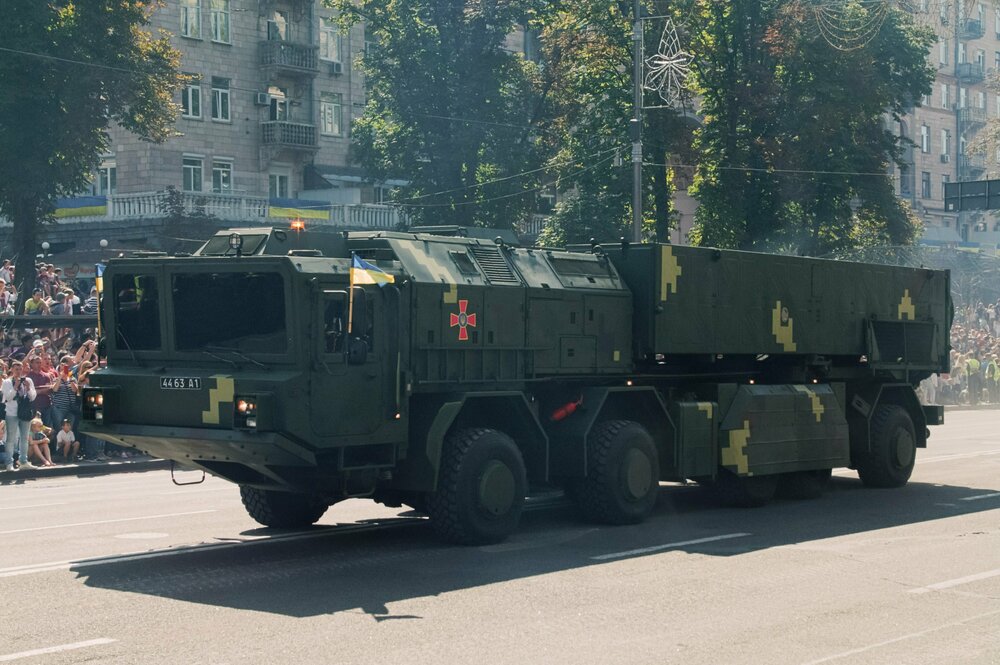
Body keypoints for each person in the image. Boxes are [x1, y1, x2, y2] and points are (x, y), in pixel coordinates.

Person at [2, 361, 36, 470]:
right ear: (11, 369)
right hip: (12, 412)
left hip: (25, 413)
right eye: (16, 369)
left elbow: (33, 397)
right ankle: (9, 463)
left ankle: (23, 461)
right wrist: (15, 387)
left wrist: (28, 388)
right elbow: (7, 397)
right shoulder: (7, 382)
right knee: (11, 439)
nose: (18, 371)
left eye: (20, 369)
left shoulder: (28, 380)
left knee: (24, 438)